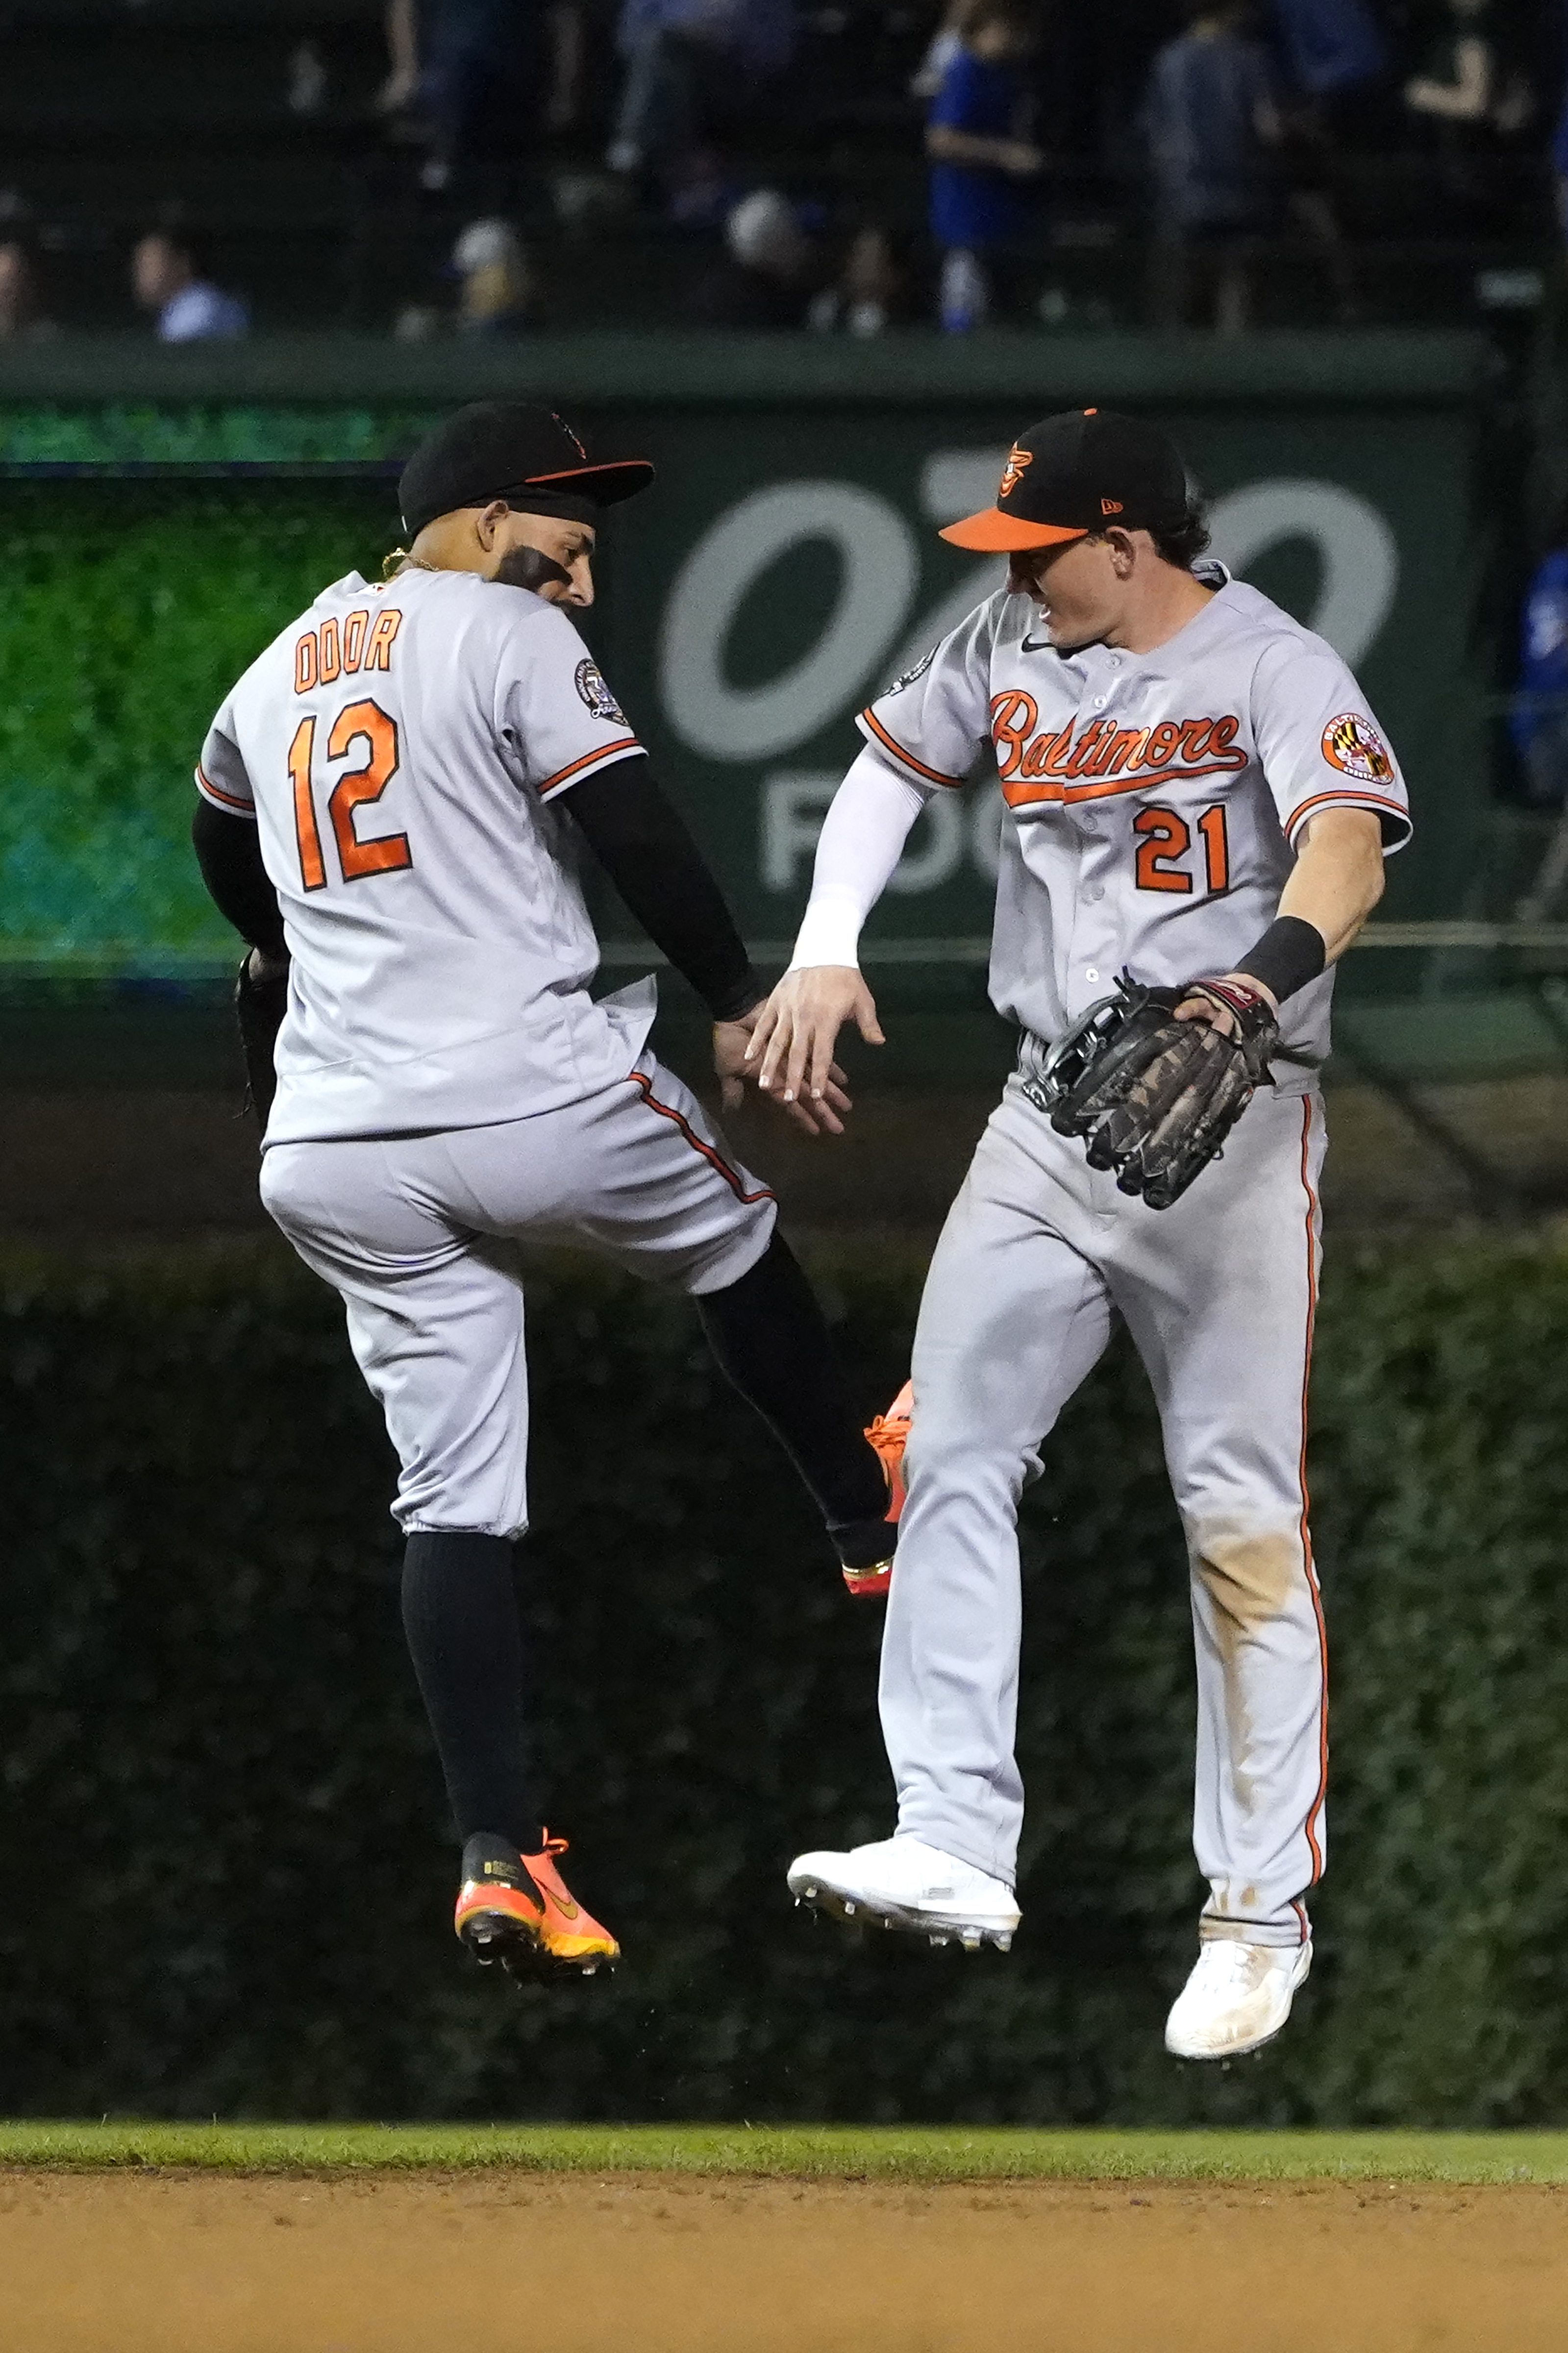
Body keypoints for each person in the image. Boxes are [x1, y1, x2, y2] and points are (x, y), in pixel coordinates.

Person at [189, 403, 898, 1980]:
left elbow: (222, 846)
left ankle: (499, 1852)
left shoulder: (277, 661)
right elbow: (627, 818)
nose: (576, 585)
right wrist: (729, 990)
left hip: (329, 1149)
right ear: (483, 517)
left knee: (447, 1499)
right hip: (527, 1087)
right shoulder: (498, 630)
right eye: (564, 549)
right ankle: (865, 1512)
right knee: (735, 1233)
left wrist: (286, 941)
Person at [749, 408, 1408, 2060]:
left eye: (1038, 550)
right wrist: (825, 944)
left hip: (1233, 1125)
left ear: (1127, 542)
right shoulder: (1001, 644)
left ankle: (1255, 1914)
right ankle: (952, 1837)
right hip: (1047, 1117)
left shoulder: (1271, 664)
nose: (1014, 575)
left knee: (1235, 1514)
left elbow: (1343, 845)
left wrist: (1262, 974)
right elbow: (880, 774)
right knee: (950, 1448)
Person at [1143, 2, 1280, 334]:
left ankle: (1182, 364)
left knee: (1183, 286)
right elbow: (1268, 127)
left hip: (1183, 189)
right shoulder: (1249, 58)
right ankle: (1236, 363)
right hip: (1239, 186)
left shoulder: (1169, 59)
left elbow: (1155, 130)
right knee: (1237, 282)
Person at [925, 0, 1042, 334]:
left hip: (999, 214)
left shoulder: (1005, 76)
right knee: (962, 309)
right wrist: (1004, 154)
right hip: (965, 215)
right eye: (1003, 28)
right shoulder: (965, 71)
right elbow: (941, 140)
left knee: (1000, 314)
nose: (1011, 37)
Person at [131, 232, 248, 343]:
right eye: (141, 267)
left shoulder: (198, 311)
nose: (144, 277)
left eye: (153, 266)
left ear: (182, 263)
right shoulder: (175, 311)